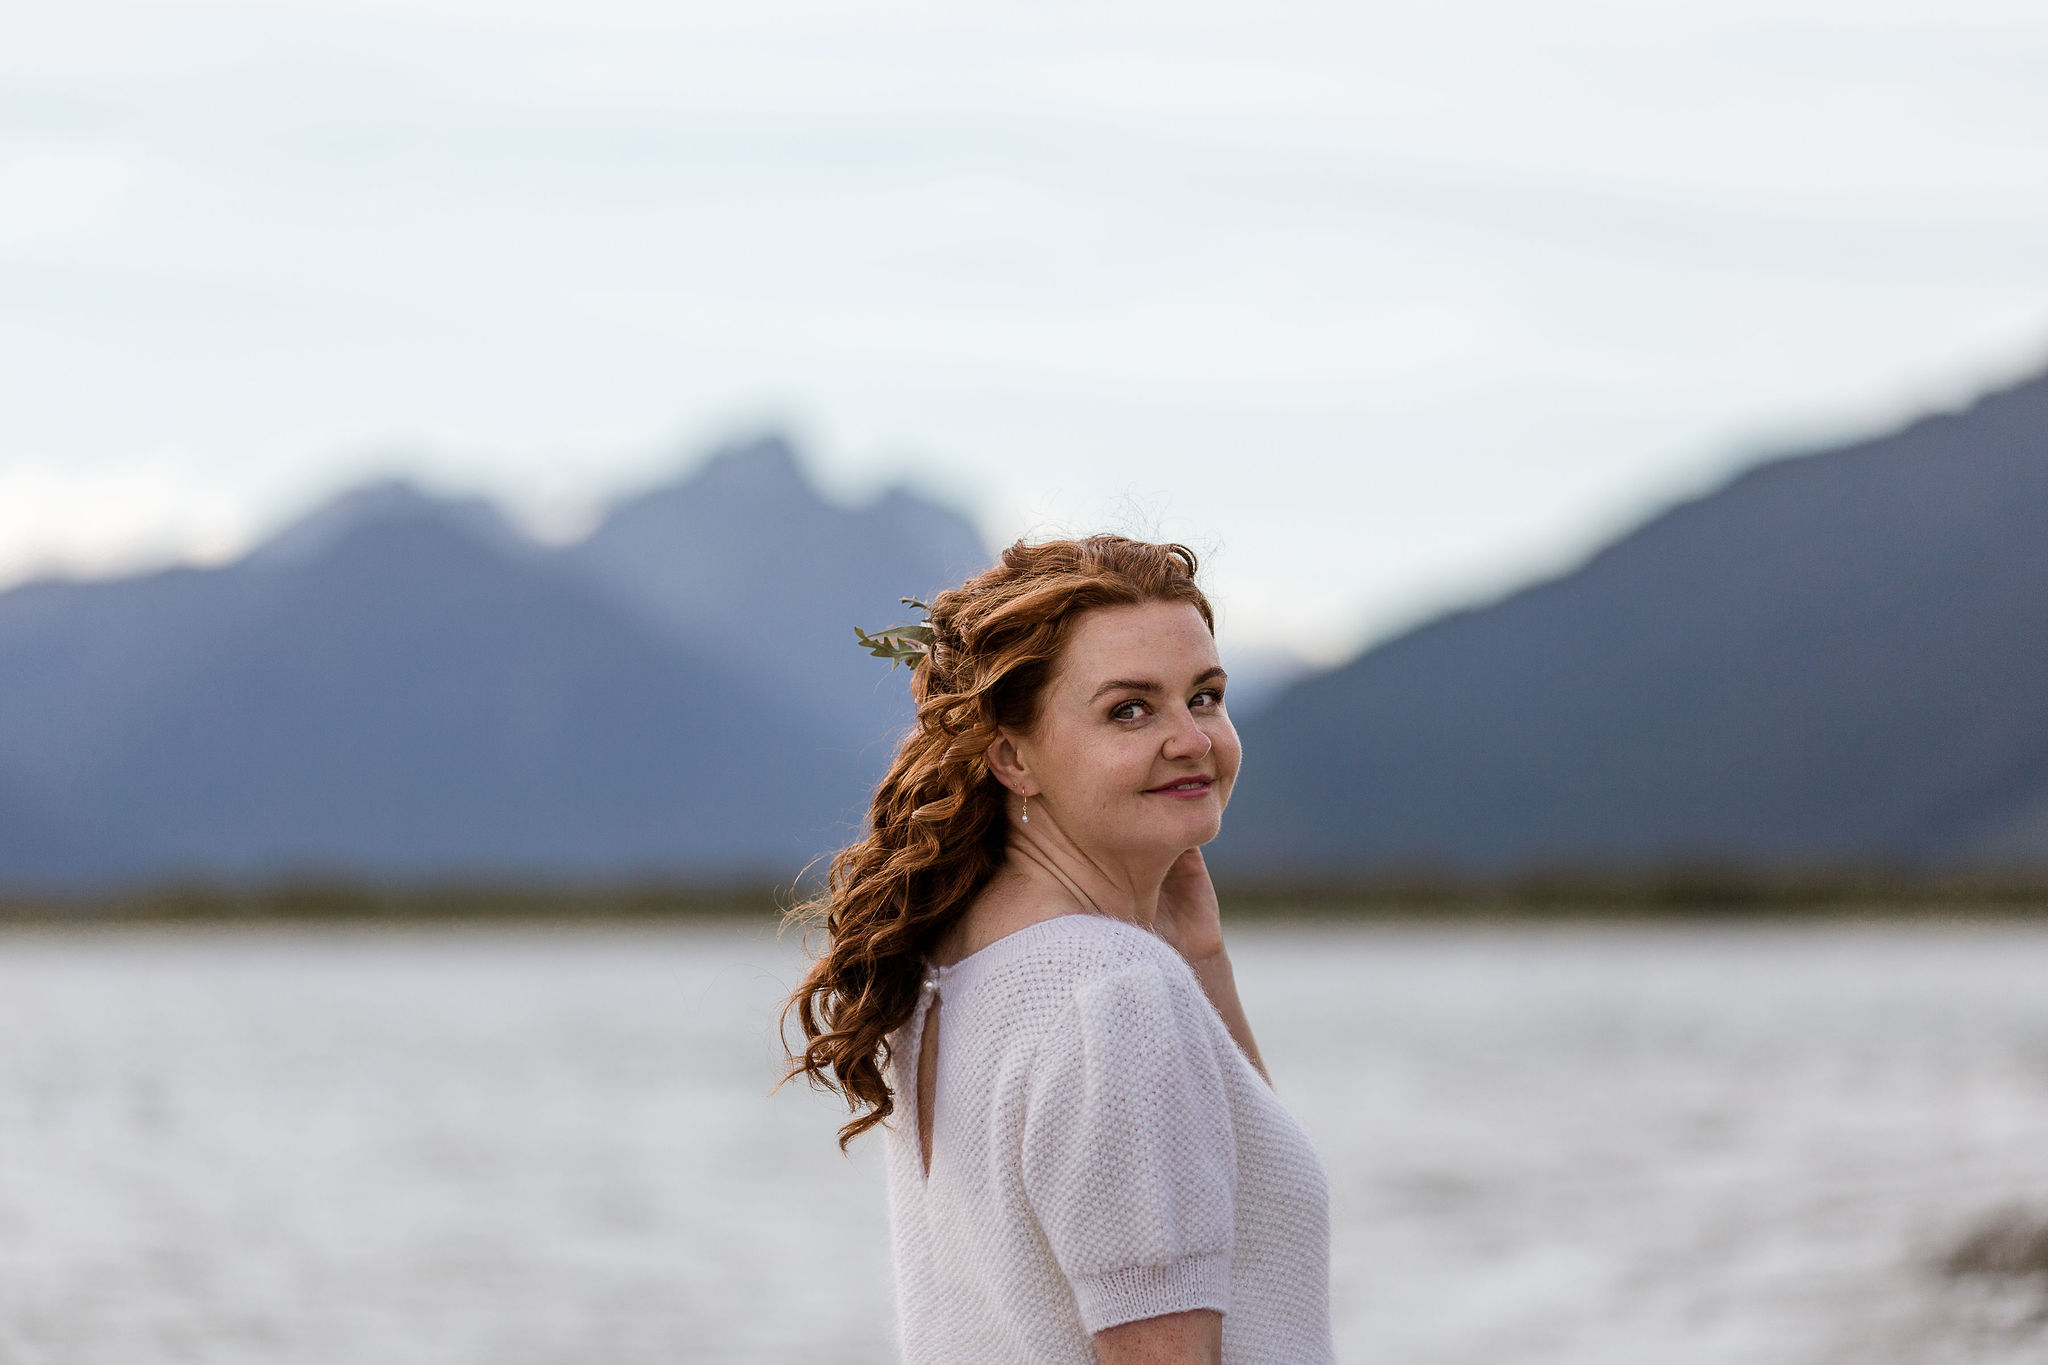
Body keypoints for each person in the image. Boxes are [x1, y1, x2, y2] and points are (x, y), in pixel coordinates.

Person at [781, 535, 1334, 1365]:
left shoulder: (952, 967)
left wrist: (1200, 956)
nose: (1192, 739)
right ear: (1011, 755)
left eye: (1207, 696)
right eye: (1129, 709)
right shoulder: (1112, 997)